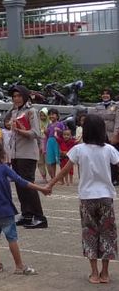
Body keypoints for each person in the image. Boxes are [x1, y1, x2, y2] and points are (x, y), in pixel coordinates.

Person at [48, 115, 119, 285]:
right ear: (102, 130)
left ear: (85, 130)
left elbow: (64, 170)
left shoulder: (79, 149)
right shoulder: (109, 149)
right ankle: (105, 273)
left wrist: (50, 184)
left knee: (90, 233)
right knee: (108, 233)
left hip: (87, 198)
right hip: (105, 197)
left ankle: (94, 273)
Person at [0, 140, 50, 275]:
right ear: (1, 154)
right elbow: (21, 181)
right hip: (5, 210)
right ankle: (19, 265)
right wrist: (41, 189)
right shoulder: (4, 168)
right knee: (12, 238)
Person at [9, 85, 48, 229]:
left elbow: (35, 133)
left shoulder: (31, 111)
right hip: (15, 153)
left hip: (27, 155)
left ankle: (40, 217)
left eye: (19, 96)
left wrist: (18, 130)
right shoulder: (14, 111)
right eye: (14, 96)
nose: (16, 99)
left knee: (28, 185)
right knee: (20, 185)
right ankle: (27, 214)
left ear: (25, 96)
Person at [44, 108, 65, 183]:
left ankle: (61, 179)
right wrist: (46, 132)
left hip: (57, 142)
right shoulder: (49, 125)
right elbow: (47, 136)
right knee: (51, 161)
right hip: (50, 142)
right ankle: (53, 178)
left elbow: (65, 133)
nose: (51, 116)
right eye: (49, 114)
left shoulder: (60, 124)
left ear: (57, 115)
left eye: (53, 114)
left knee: (59, 160)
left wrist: (59, 130)